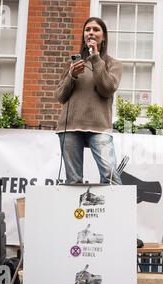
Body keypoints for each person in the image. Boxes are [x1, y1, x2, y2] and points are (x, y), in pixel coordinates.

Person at [55, 17, 122, 185]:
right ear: (83, 35)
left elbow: (107, 89)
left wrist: (96, 58)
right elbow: (60, 96)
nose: (91, 32)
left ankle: (115, 212)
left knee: (111, 177)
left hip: (99, 127)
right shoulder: (73, 63)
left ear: (104, 36)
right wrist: (72, 75)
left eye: (96, 29)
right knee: (74, 181)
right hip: (70, 127)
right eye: (87, 29)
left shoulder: (113, 63)